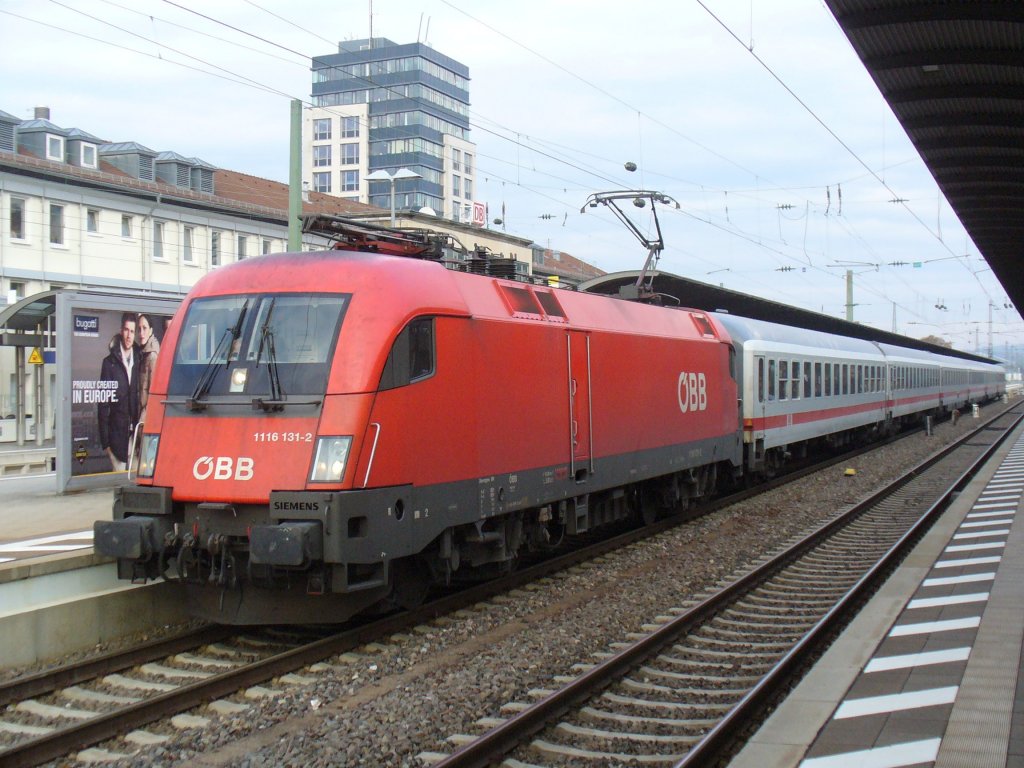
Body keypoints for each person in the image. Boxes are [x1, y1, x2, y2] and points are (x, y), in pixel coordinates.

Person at [98, 312, 140, 471]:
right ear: (121, 330)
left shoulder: (140, 359)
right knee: (119, 485)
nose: (129, 335)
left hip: (135, 437)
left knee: (138, 485)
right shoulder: (109, 364)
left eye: (132, 331)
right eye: (126, 330)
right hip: (116, 439)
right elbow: (103, 404)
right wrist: (106, 444)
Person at [136, 312, 160, 424]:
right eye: (139, 329)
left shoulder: (152, 356)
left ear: (151, 330)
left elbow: (153, 395)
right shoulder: (142, 353)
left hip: (145, 420)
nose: (141, 333)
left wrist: (142, 422)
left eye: (144, 328)